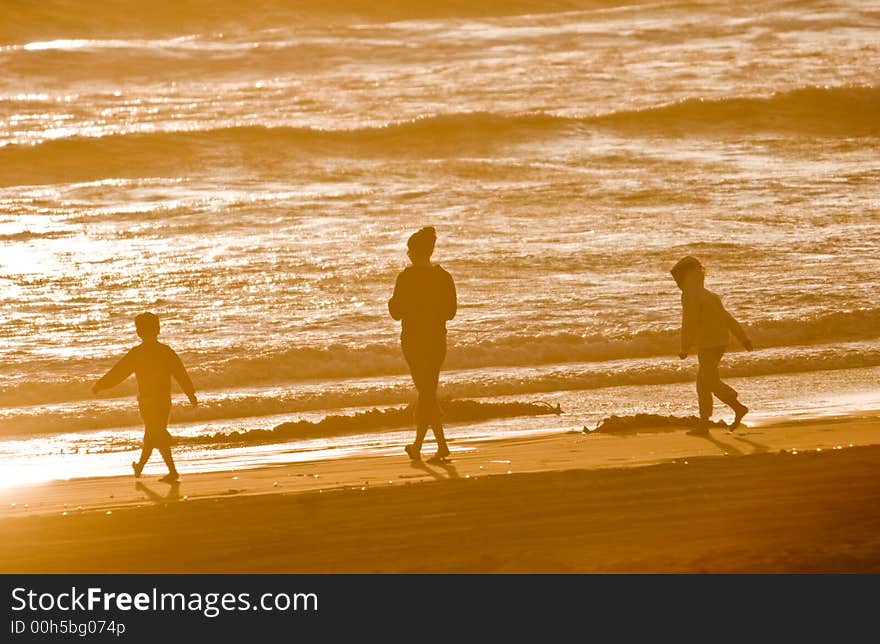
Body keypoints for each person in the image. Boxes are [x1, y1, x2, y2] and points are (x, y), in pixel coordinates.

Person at [92, 312, 197, 482]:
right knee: (153, 434)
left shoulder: (137, 353)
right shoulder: (165, 351)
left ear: (138, 332)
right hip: (163, 401)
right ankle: (142, 467)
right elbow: (180, 373)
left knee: (154, 433)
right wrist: (190, 393)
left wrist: (101, 385)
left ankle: (169, 470)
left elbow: (118, 372)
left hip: (147, 401)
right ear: (158, 329)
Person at [389, 226, 457, 462]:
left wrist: (393, 302)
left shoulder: (406, 277)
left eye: (409, 251)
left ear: (414, 252)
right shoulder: (443, 277)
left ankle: (421, 445)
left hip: (413, 342)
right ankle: (435, 447)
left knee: (426, 393)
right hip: (437, 341)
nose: (407, 255)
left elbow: (395, 312)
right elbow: (451, 313)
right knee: (428, 393)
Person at [671, 256, 753, 435]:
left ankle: (712, 418)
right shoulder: (709, 295)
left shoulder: (689, 295)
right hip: (720, 342)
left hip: (708, 344)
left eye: (678, 279)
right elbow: (728, 318)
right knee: (707, 381)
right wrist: (743, 338)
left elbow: (689, 322)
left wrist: (684, 347)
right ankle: (734, 409)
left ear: (685, 276)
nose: (677, 284)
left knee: (705, 383)